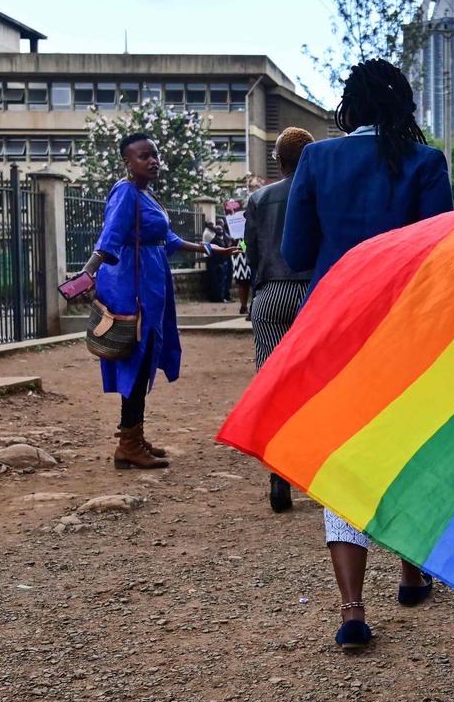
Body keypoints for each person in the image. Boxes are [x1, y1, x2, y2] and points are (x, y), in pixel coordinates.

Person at [281, 59, 454, 649]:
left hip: (332, 328)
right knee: (404, 448)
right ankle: (410, 572)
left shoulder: (316, 160)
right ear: (402, 111)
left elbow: (297, 250)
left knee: (343, 456)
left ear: (348, 111)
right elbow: (441, 260)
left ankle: (353, 609)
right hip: (405, 331)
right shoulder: (427, 164)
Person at [81, 133, 237, 468]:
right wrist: (88, 273)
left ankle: (133, 436)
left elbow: (168, 237)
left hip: (150, 281)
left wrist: (210, 249)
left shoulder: (146, 194)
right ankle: (128, 443)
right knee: (135, 357)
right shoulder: (125, 192)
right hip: (130, 284)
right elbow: (110, 235)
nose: (152, 161)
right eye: (143, 156)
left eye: (155, 155)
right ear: (128, 161)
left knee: (146, 355)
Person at [242, 126, 316, 512]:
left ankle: (278, 476)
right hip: (312, 293)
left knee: (274, 385)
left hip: (271, 294)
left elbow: (251, 253)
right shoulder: (322, 194)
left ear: (278, 160)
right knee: (317, 383)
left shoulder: (259, 198)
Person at [224, 199, 252, 316]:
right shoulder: (231, 225)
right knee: (243, 282)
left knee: (246, 282)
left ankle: (247, 306)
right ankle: (244, 306)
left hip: (247, 253)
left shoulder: (251, 220)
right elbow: (231, 241)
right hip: (241, 255)